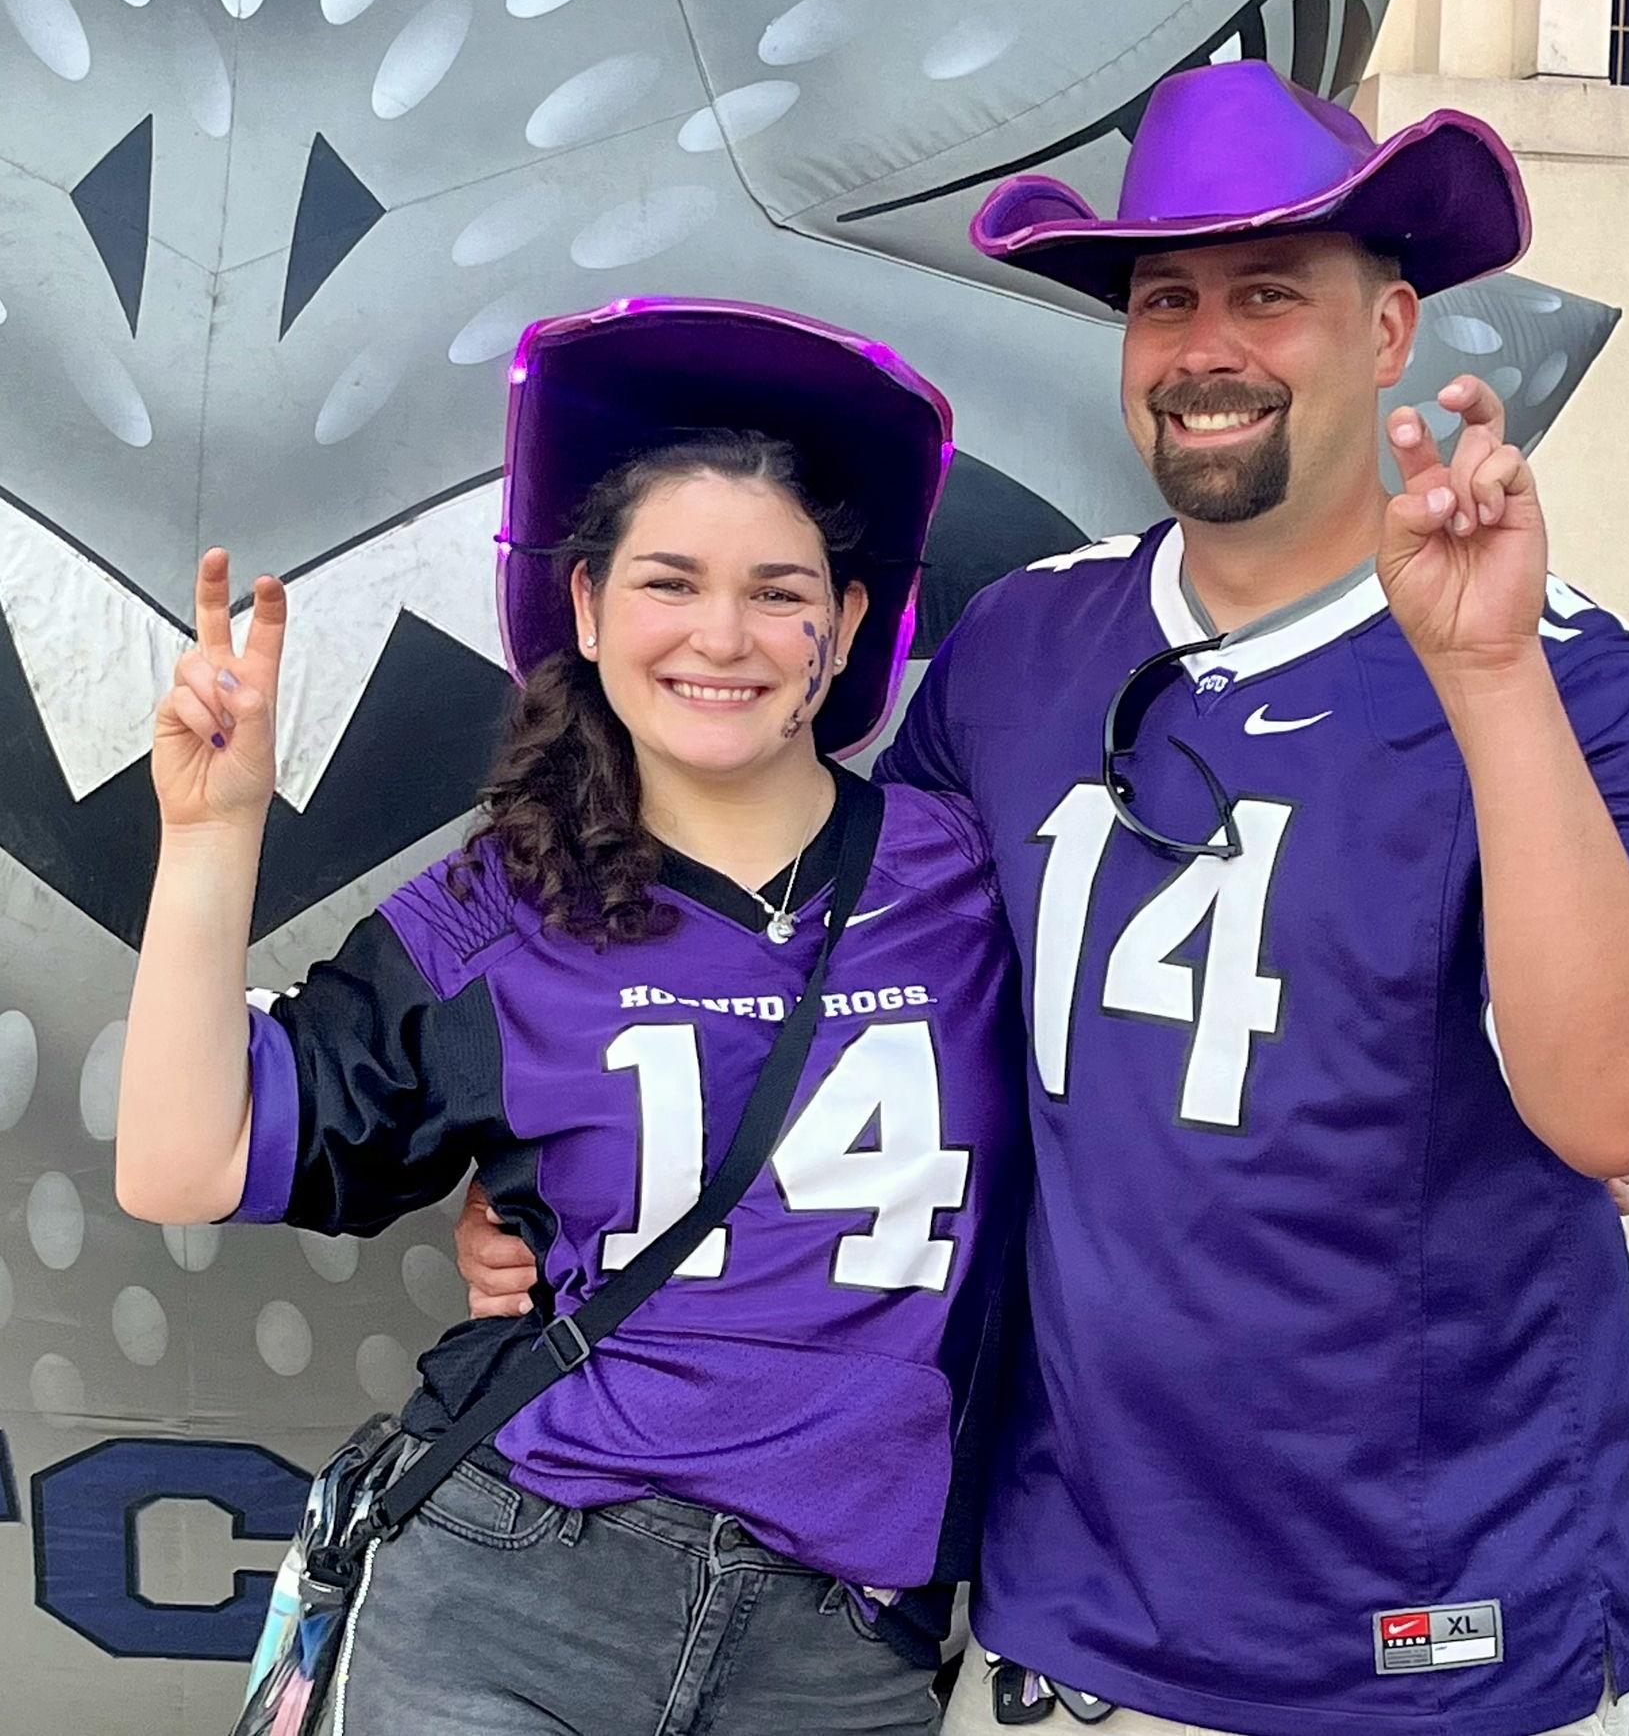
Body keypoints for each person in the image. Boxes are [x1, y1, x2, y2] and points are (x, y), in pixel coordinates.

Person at [461, 61, 1629, 1736]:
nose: (1206, 346)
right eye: (1166, 298)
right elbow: (823, 972)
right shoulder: (1020, 648)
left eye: (1270, 293)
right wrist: (555, 1174)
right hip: (1072, 1620)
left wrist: (1484, 672)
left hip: (1435, 1634)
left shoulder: (1571, 670)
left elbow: (1624, 1108)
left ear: (1387, 332)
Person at [115, 301, 1026, 1736]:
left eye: (780, 590)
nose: (723, 634)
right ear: (588, 607)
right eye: (670, 581)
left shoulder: (975, 879)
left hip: (838, 1647)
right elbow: (182, 1163)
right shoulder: (500, 907)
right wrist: (214, 833)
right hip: (510, 1586)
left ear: (848, 627)